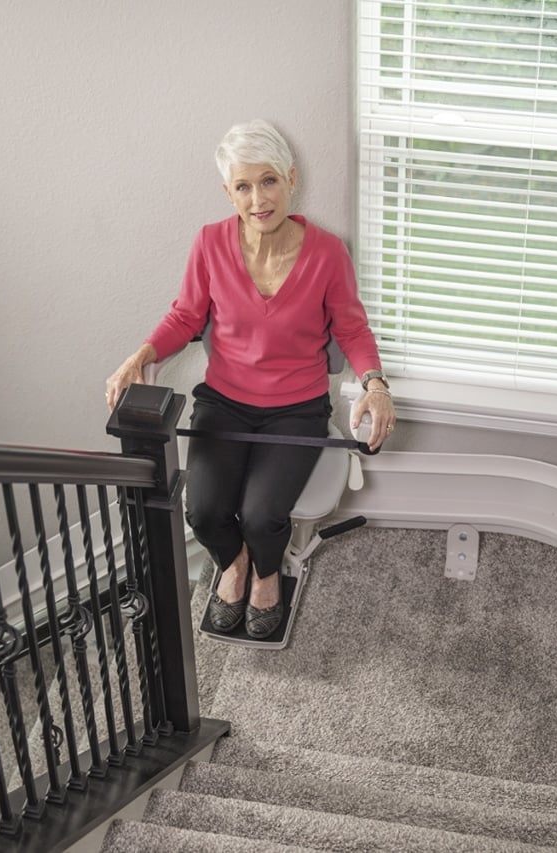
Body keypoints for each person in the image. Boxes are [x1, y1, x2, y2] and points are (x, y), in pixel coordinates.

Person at [106, 119, 395, 640]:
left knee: (263, 516)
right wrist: (141, 354)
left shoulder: (327, 253)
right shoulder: (210, 243)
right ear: (228, 192)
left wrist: (375, 384)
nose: (258, 198)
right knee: (205, 512)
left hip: (297, 409)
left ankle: (266, 575)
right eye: (243, 186)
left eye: (268, 182)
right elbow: (186, 316)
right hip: (224, 404)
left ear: (290, 179)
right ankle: (233, 564)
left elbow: (352, 329)